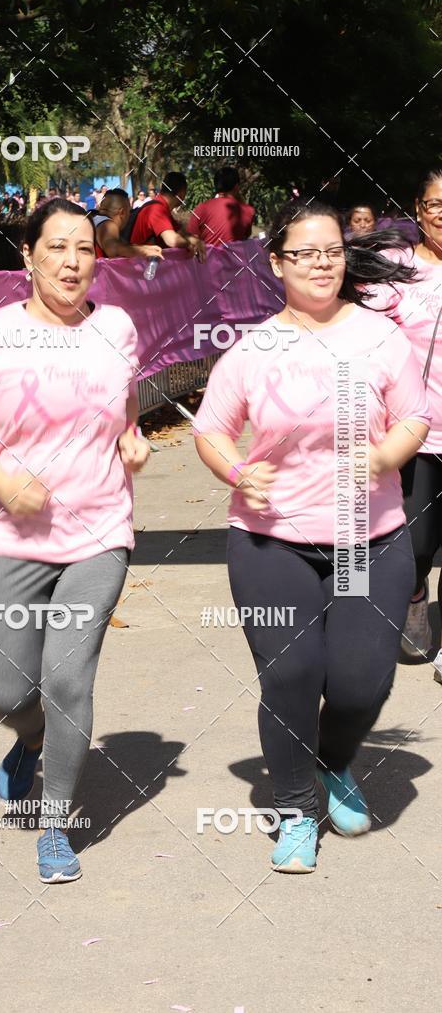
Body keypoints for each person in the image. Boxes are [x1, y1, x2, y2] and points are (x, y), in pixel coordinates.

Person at [193, 200, 429, 874]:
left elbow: (414, 416)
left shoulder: (381, 338)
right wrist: (238, 471)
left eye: (331, 250)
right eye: (305, 252)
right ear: (277, 263)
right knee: (291, 673)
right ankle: (296, 807)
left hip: (369, 537)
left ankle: (333, 761)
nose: (321, 263)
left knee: (362, 683)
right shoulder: (253, 347)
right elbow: (211, 429)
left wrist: (387, 456)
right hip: (271, 539)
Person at [0, 198, 149, 883]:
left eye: (84, 248)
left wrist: (130, 437)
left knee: (67, 677)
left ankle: (55, 822)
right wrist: (2, 480)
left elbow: (123, 405)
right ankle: (31, 735)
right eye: (56, 246)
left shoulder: (117, 327)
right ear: (27, 255)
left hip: (98, 528)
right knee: (9, 689)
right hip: (11, 531)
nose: (71, 261)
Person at [362, 169, 442, 667]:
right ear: (419, 209)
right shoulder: (399, 268)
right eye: (438, 206)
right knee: (416, 545)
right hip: (418, 434)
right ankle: (414, 598)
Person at [129, 171, 206, 261]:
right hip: (142, 268)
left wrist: (194, 239)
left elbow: (180, 232)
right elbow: (172, 240)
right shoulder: (156, 208)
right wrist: (191, 243)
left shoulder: (162, 208)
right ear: (181, 193)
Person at [187, 167, 255, 246]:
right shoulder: (249, 211)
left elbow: (192, 240)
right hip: (234, 258)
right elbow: (245, 237)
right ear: (236, 187)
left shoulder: (201, 208)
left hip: (208, 257)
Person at [92, 188, 163, 261]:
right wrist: (144, 251)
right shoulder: (108, 224)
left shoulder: (95, 218)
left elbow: (122, 244)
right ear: (122, 212)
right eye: (129, 211)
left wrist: (146, 248)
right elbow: (113, 248)